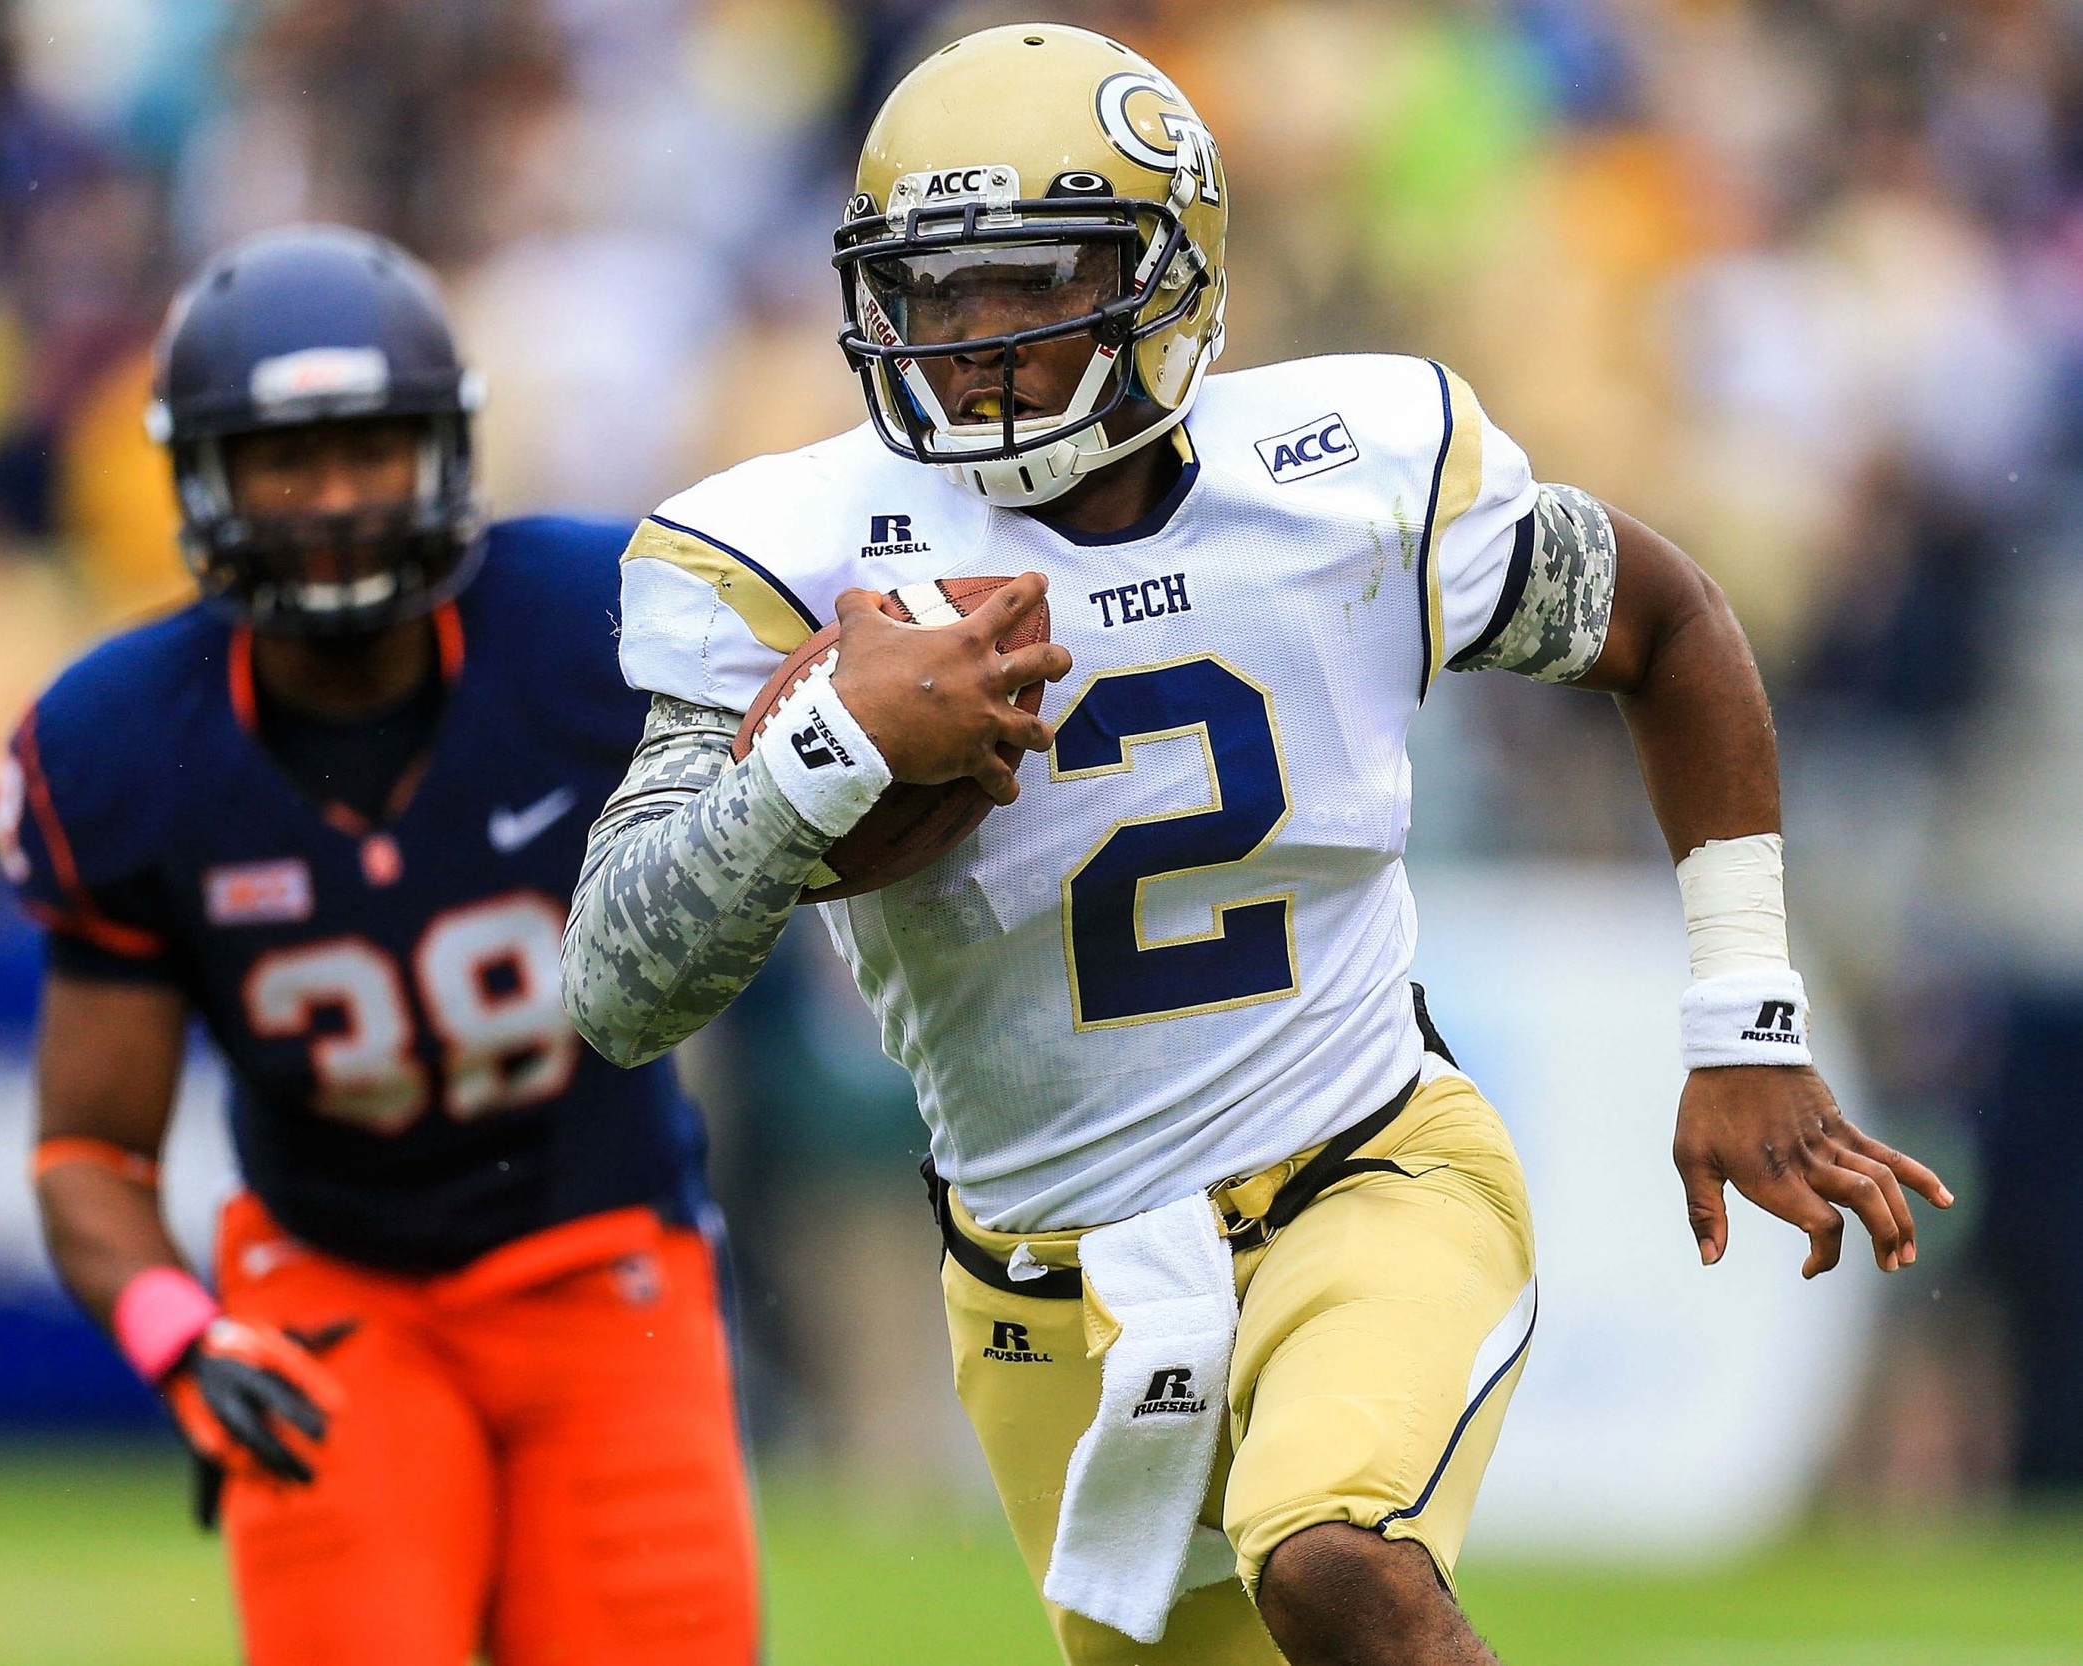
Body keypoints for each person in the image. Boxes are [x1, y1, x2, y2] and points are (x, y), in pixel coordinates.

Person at [560, 25, 1950, 1666]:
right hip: (1045, 1280)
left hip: (1363, 1165)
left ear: (1171, 276)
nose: (975, 343)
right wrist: (827, 745)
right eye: (936, 294)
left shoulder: (1350, 470)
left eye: (1032, 283)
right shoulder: (791, 553)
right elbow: (614, 982)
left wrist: (1746, 1019)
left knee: (1335, 1560)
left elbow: (1668, 620)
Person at [0, 225, 756, 1666]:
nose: (335, 498)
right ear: (203, 479)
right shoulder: (121, 750)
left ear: (449, 451)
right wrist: (176, 1330)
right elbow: (87, 1153)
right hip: (335, 1294)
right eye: (287, 459)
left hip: (606, 1265)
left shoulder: (601, 625)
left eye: (371, 447)